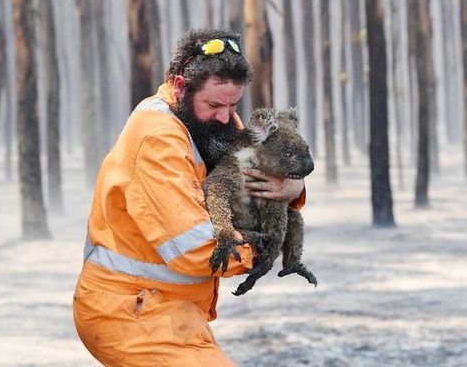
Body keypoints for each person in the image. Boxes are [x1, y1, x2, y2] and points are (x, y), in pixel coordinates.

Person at [73, 29, 306, 366]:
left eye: (234, 104)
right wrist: (265, 247)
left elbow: (256, 175)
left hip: (171, 311)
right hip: (129, 313)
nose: (228, 117)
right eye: (214, 105)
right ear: (182, 87)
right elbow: (195, 247)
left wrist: (293, 190)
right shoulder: (157, 138)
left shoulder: (209, 121)